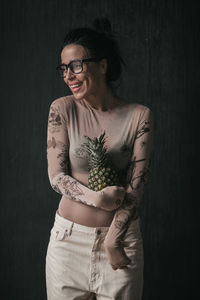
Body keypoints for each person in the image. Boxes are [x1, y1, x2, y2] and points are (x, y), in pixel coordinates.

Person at [45, 17, 154, 300]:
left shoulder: (139, 116)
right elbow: (57, 177)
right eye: (64, 69)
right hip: (68, 244)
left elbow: (136, 187)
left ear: (102, 66)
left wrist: (113, 239)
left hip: (120, 242)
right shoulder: (62, 109)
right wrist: (97, 199)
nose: (68, 75)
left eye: (76, 66)